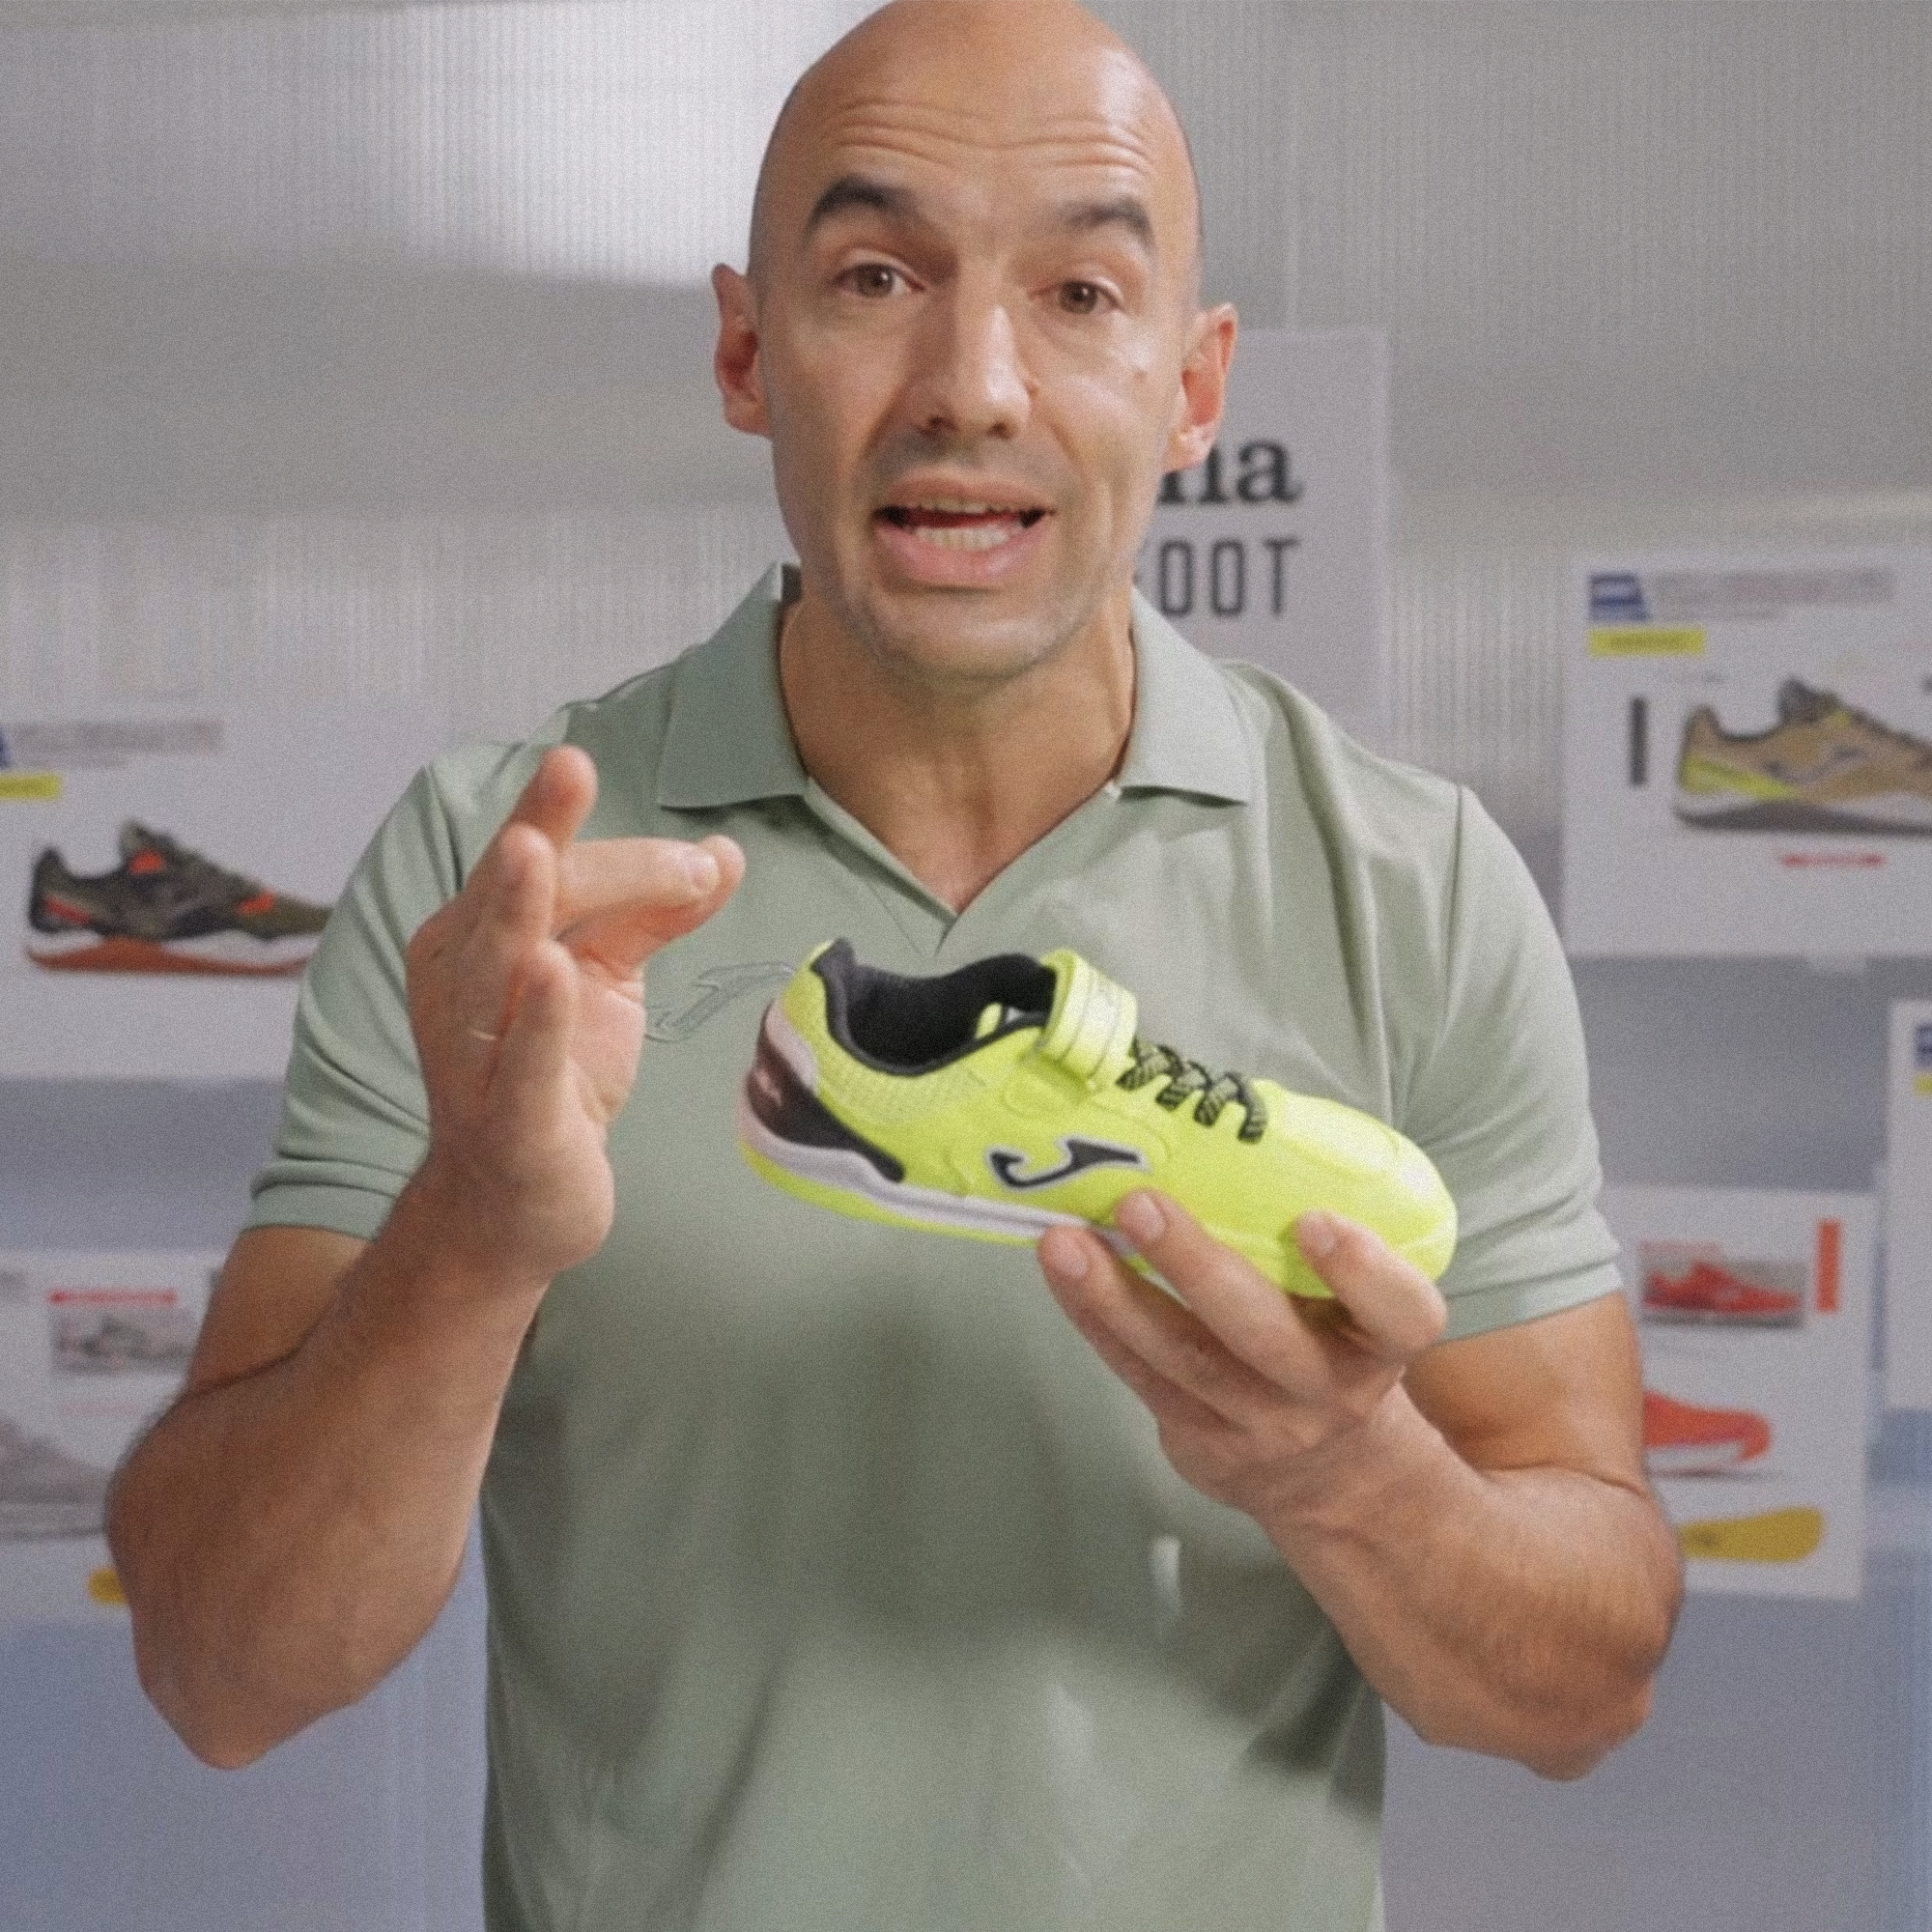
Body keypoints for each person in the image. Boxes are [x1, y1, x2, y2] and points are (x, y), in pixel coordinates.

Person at [108, 3, 1682, 1928]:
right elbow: (222, 1671)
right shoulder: (503, 870)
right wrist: (474, 1235)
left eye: (1079, 294)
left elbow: (1580, 1690)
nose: (975, 387)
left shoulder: (1413, 889)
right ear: (745, 350)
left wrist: (1348, 1468)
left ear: (1195, 387)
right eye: (875, 278)